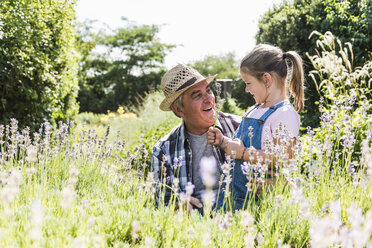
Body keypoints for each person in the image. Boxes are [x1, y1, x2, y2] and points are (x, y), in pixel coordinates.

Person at [207, 44, 304, 210]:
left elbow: (284, 158)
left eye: (248, 83)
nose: (246, 89)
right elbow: (241, 146)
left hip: (259, 200)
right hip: (233, 196)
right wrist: (223, 141)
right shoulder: (255, 109)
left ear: (266, 79)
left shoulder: (284, 114)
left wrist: (244, 153)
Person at [150, 64, 241, 213]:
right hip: (196, 227)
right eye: (197, 95)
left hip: (241, 216)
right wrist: (177, 205)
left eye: (208, 91)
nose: (209, 99)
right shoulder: (163, 150)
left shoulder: (240, 127)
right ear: (179, 109)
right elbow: (161, 204)